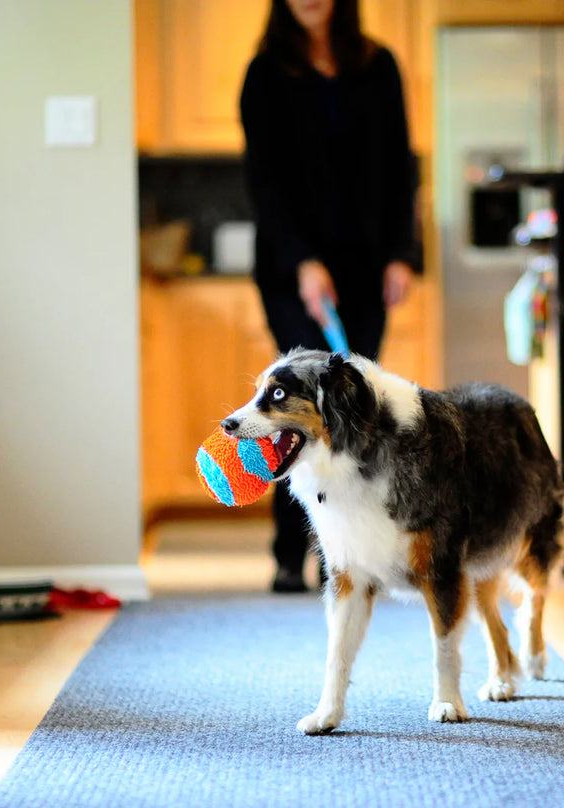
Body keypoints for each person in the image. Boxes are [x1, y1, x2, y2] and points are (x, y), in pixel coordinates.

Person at [240, 0, 420, 593]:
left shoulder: (379, 65)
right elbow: (264, 182)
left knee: (350, 410)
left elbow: (400, 165)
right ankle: (290, 552)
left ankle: (342, 553)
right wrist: (301, 262)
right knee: (293, 404)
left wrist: (402, 252)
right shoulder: (266, 74)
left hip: (366, 267)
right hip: (293, 267)